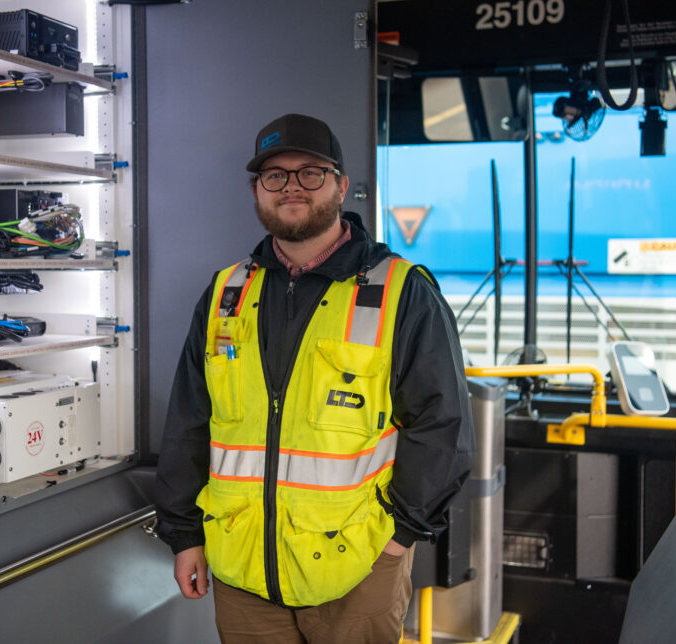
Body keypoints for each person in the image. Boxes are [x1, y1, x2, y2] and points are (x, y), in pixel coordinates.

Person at [155, 113, 474, 643]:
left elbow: (442, 425)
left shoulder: (401, 290)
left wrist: (399, 539)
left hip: (358, 565)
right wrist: (183, 534)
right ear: (257, 190)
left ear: (341, 185)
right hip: (242, 567)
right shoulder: (225, 293)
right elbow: (189, 420)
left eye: (311, 173)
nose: (292, 188)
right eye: (275, 176)